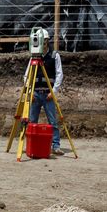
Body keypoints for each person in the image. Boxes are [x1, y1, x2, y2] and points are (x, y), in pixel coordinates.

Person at [28, 27, 65, 157]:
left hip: (48, 94)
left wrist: (54, 91)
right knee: (32, 121)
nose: (42, 44)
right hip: (35, 93)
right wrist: (29, 91)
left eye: (44, 41)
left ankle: (56, 145)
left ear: (47, 41)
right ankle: (31, 145)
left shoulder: (55, 56)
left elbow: (59, 75)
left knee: (53, 122)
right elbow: (27, 76)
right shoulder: (33, 57)